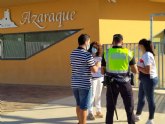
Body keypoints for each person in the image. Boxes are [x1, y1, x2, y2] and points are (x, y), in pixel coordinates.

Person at [101, 34, 138, 124]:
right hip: (125, 84)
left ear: (112, 42)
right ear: (122, 42)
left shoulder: (106, 53)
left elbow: (102, 71)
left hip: (111, 83)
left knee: (110, 109)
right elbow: (135, 70)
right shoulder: (128, 52)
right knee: (129, 108)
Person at [70, 34, 100, 124]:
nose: (89, 44)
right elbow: (94, 70)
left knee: (78, 104)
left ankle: (79, 122)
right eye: (89, 42)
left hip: (74, 83)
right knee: (84, 107)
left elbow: (74, 66)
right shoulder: (87, 55)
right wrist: (97, 65)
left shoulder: (72, 53)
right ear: (86, 42)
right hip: (85, 84)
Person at [135, 39, 158, 124]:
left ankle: (151, 119)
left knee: (150, 99)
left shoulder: (147, 55)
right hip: (144, 79)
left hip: (149, 79)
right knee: (141, 98)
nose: (138, 47)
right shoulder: (145, 54)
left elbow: (148, 70)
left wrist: (138, 68)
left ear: (142, 46)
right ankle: (137, 115)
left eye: (139, 45)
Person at [87, 41, 104, 120]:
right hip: (91, 79)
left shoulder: (100, 57)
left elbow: (100, 68)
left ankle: (98, 111)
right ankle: (90, 112)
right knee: (92, 96)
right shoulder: (88, 57)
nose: (94, 49)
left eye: (96, 48)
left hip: (100, 78)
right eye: (93, 47)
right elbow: (93, 68)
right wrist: (96, 64)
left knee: (98, 95)